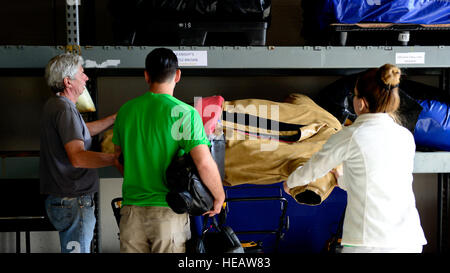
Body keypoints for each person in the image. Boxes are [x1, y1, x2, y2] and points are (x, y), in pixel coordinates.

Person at [283, 63, 427, 253]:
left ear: (361, 103)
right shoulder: (405, 137)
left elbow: (315, 167)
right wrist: (341, 178)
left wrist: (290, 183)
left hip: (369, 241)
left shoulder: (351, 135)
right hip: (409, 239)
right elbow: (376, 182)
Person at [112, 48, 225, 253]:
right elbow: (204, 162)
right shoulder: (185, 113)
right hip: (167, 214)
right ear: (178, 75)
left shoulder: (126, 111)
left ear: (146, 75)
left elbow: (119, 160)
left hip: (130, 213)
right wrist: (219, 197)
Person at [40, 53, 117, 253]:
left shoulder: (56, 105)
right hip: (73, 200)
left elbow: (82, 131)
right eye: (82, 74)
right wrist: (114, 159)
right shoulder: (65, 110)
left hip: (64, 199)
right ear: (67, 82)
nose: (86, 78)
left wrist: (114, 118)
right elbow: (77, 156)